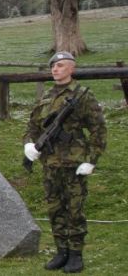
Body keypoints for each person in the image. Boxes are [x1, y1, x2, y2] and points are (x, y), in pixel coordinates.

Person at [23, 51, 107, 273]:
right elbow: (33, 126)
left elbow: (98, 130)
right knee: (54, 209)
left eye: (60, 65)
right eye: (53, 66)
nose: (55, 69)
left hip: (74, 165)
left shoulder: (82, 96)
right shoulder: (46, 97)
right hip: (50, 164)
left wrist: (91, 160)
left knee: (74, 210)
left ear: (72, 68)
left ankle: (76, 254)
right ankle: (61, 251)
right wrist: (29, 145)